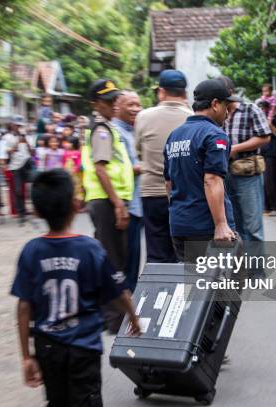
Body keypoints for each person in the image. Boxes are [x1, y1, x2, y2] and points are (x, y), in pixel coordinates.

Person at [11, 169, 141, 406]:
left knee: (57, 400)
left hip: (47, 347)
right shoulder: (90, 249)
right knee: (87, 399)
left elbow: (23, 307)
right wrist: (133, 316)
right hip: (84, 347)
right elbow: (119, 292)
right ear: (75, 205)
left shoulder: (31, 251)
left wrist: (26, 357)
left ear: (37, 211)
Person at [81, 78, 134, 333]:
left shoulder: (105, 127)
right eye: (108, 100)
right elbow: (101, 169)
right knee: (113, 262)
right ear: (95, 104)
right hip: (106, 202)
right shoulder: (101, 129)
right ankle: (113, 320)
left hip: (106, 201)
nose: (114, 104)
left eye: (115, 99)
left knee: (111, 259)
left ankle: (111, 317)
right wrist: (118, 205)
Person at [164, 79, 237, 262]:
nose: (227, 113)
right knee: (223, 288)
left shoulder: (175, 135)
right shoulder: (214, 135)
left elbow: (169, 182)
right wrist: (220, 224)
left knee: (192, 285)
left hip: (180, 225)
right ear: (214, 104)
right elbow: (212, 179)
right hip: (207, 229)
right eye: (226, 106)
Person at [135, 69, 192, 263]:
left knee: (157, 253)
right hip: (185, 194)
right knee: (184, 254)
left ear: (161, 92)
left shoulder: (143, 117)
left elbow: (139, 152)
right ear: (184, 93)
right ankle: (183, 293)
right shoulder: (192, 117)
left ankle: (157, 292)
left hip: (152, 193)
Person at [219, 75, 271, 243]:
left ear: (230, 93)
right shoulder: (219, 114)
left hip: (247, 173)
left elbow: (264, 137)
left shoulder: (250, 109)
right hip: (225, 173)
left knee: (253, 227)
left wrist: (235, 148)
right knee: (236, 226)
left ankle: (256, 270)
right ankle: (244, 267)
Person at [112, 90, 143, 292]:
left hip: (138, 204)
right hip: (125, 205)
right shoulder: (115, 132)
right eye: (130, 104)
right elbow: (117, 168)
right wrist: (149, 165)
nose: (135, 109)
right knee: (123, 259)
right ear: (117, 106)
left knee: (134, 257)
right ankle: (122, 309)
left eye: (138, 105)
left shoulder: (134, 131)